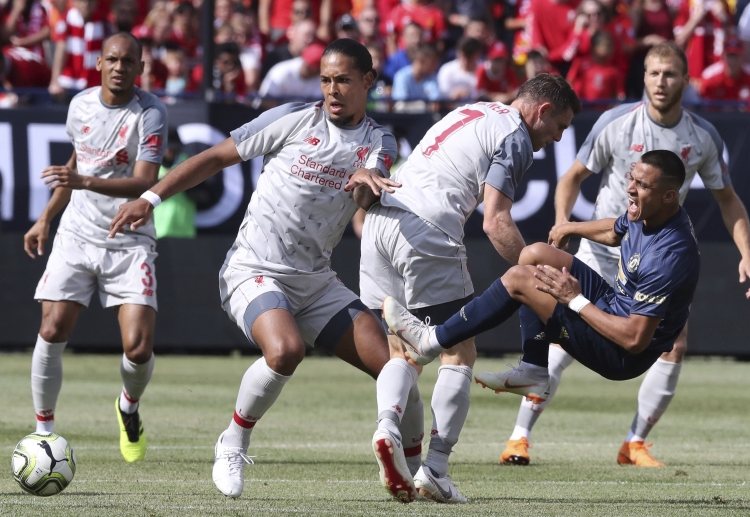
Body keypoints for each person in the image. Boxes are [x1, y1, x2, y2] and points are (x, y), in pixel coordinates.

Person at [108, 38, 423, 503]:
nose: (333, 90)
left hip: (315, 281)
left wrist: (365, 185)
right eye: (326, 80)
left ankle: (420, 473)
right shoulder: (295, 118)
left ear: (369, 83)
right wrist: (150, 197)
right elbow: (215, 157)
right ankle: (232, 442)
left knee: (400, 370)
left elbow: (371, 182)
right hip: (252, 268)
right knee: (285, 350)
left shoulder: (380, 140)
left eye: (344, 80)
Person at [498, 41, 750, 468]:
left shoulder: (702, 136)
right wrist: (562, 222)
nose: (661, 81)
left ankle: (634, 442)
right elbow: (572, 176)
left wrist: (745, 251)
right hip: (605, 252)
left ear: (685, 81)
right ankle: (519, 437)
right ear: (644, 77)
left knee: (672, 344)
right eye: (653, 73)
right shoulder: (617, 122)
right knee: (563, 339)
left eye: (670, 74)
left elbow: (728, 199)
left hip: (654, 262)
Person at [359, 73, 581, 503]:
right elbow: (495, 220)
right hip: (427, 229)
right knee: (458, 351)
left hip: (381, 222)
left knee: (402, 350)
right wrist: (532, 280)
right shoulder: (515, 136)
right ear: (544, 111)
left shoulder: (474, 110)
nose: (555, 139)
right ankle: (436, 468)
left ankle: (387, 424)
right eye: (560, 127)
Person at [383, 151, 701, 436]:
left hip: (620, 353)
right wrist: (569, 227)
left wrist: (574, 300)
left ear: (670, 196)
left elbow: (634, 339)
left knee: (521, 280)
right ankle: (534, 368)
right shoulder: (647, 213)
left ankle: (432, 340)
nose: (630, 188)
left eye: (643, 185)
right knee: (534, 254)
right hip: (613, 305)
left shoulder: (668, 255)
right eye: (631, 177)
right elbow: (615, 231)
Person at [22, 32, 167, 464]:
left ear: (140, 69)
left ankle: (128, 406)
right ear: (99, 64)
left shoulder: (151, 113)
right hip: (77, 233)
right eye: (113, 59)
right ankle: (43, 431)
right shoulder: (80, 104)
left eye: (129, 62)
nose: (120, 67)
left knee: (138, 347)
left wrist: (83, 180)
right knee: (52, 328)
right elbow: (76, 161)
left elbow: (144, 180)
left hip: (129, 238)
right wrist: (46, 216)